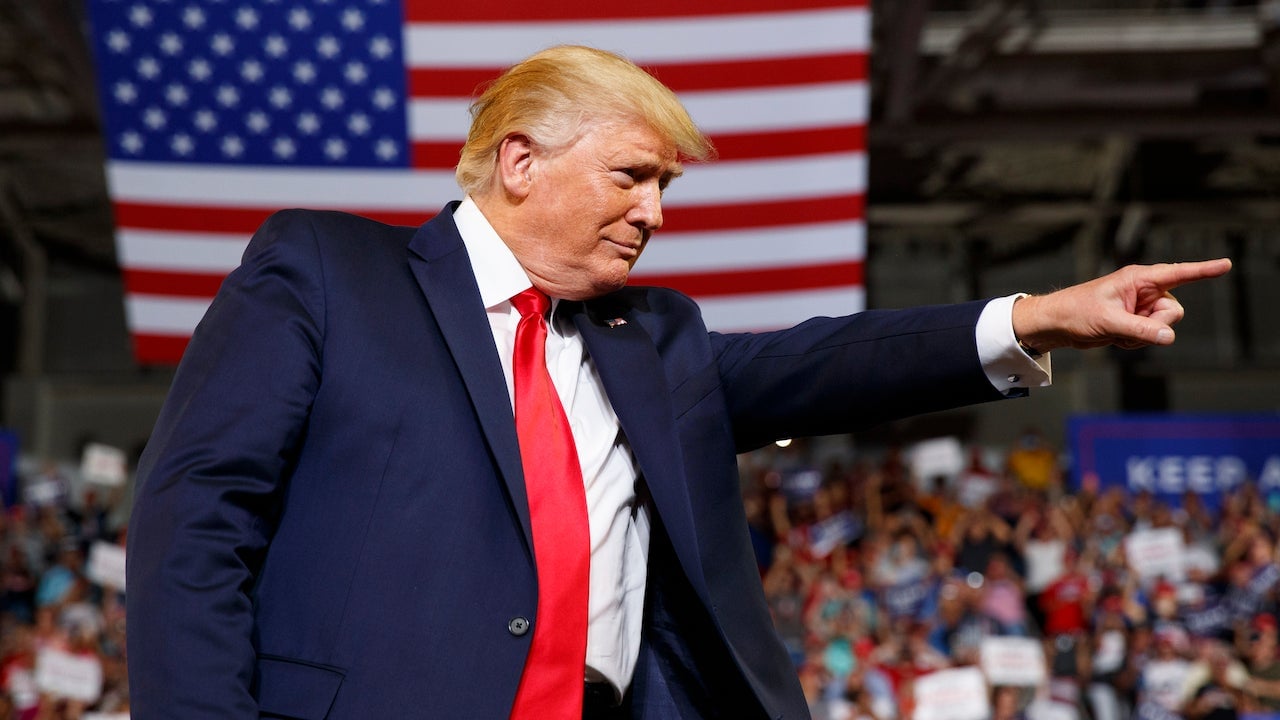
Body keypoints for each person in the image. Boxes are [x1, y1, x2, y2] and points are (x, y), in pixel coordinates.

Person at [124, 45, 1232, 719]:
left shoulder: (649, 337)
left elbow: (822, 363)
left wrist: (1035, 317)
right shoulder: (329, 272)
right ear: (521, 161)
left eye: (663, 185)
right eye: (632, 175)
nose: (654, 211)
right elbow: (194, 522)